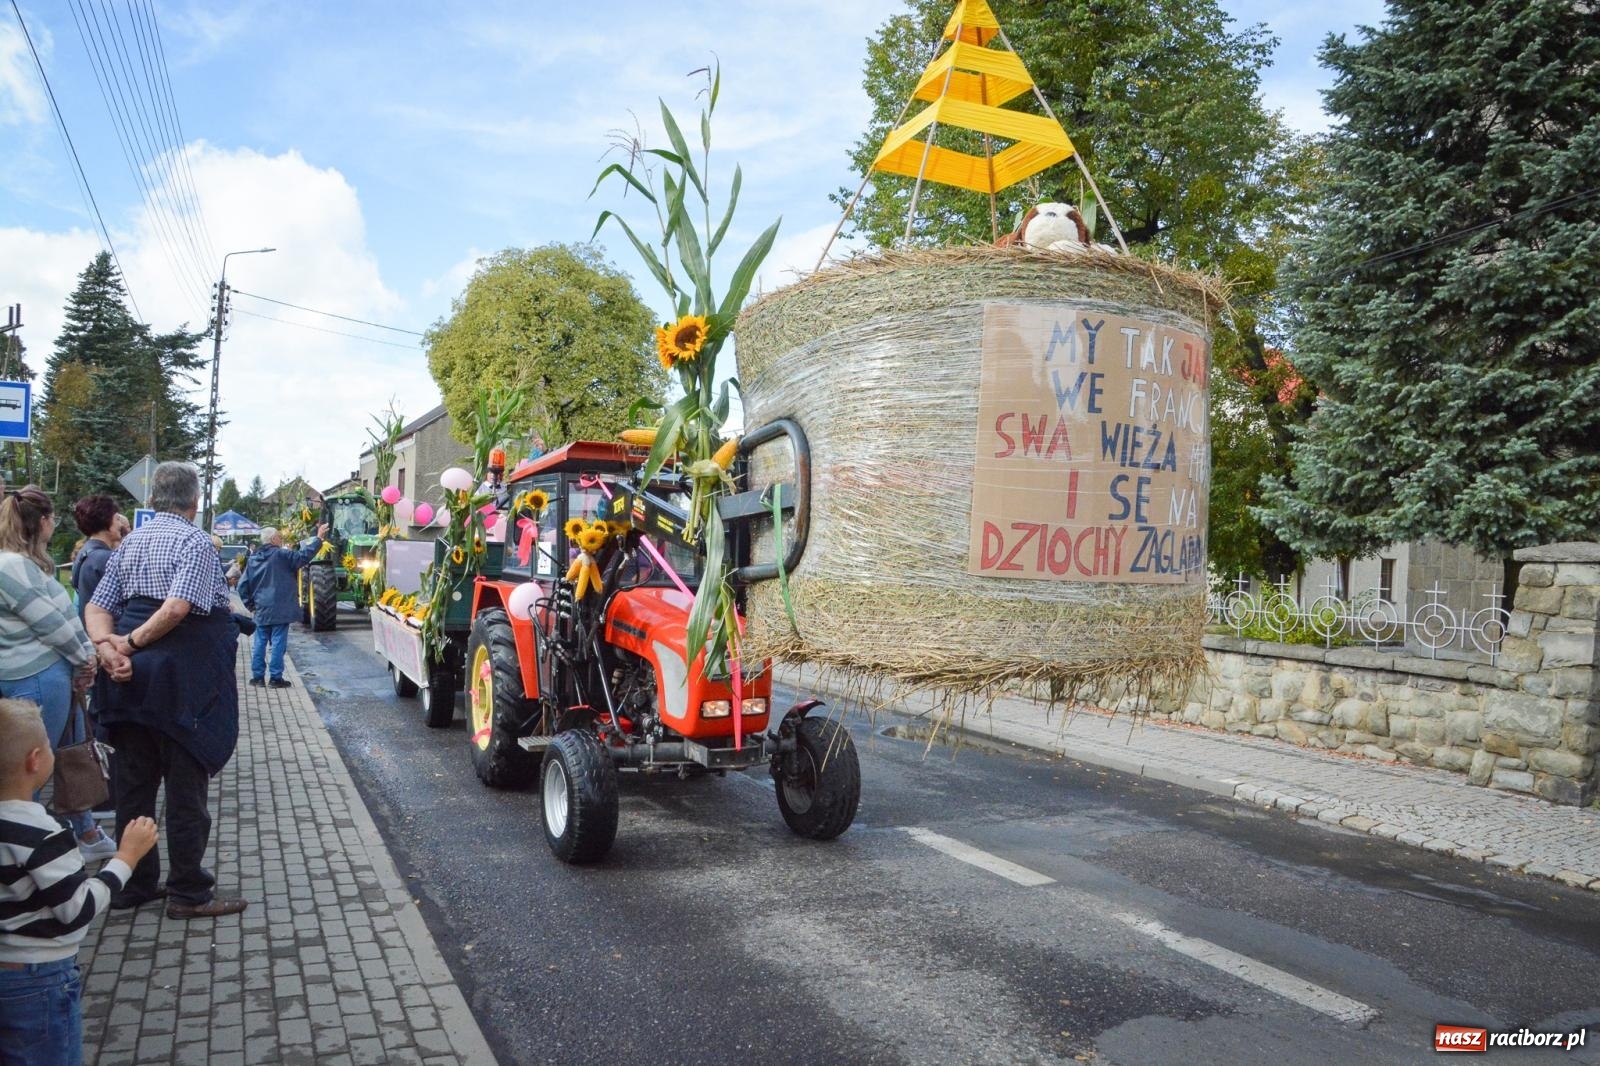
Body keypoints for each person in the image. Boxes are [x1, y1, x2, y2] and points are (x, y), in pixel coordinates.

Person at [84, 461, 246, 920]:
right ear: (196, 503)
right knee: (185, 791)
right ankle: (188, 893)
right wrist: (127, 645)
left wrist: (107, 648)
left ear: (152, 501)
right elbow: (176, 608)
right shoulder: (195, 541)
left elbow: (97, 606)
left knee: (134, 788)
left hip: (129, 687)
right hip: (181, 687)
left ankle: (134, 884)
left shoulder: (132, 541)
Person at [0, 700, 156, 1066]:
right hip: (37, 979)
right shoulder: (43, 833)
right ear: (35, 760)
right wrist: (126, 859)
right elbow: (76, 909)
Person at [0, 488, 114, 862]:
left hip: (46, 674)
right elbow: (51, 623)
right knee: (29, 774)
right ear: (43, 522)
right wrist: (86, 660)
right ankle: (19, 858)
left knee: (69, 756)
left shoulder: (22, 564)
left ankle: (86, 832)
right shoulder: (12, 566)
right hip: (37, 677)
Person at [236, 523, 327, 688]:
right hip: (280, 608)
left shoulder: (253, 559)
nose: (281, 538)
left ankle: (257, 677)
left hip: (261, 608)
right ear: (273, 539)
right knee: (278, 642)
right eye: (279, 536)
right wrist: (319, 539)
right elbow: (303, 556)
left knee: (259, 642)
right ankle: (275, 678)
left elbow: (242, 586)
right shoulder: (282, 555)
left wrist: (251, 606)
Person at [69, 497, 128, 620]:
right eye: (117, 519)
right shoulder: (105, 558)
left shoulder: (84, 552)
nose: (120, 524)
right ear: (106, 521)